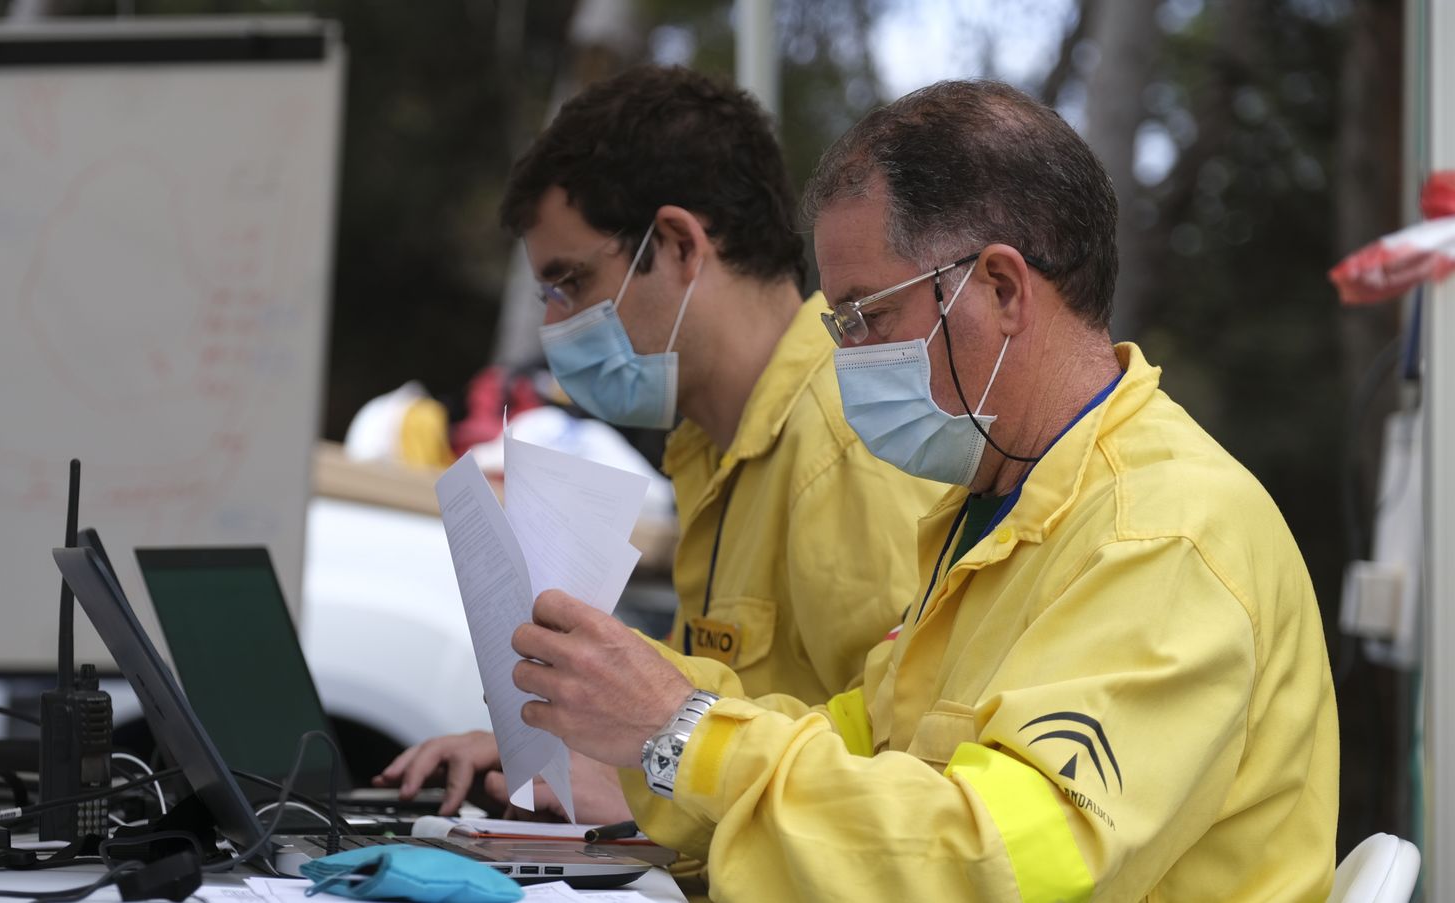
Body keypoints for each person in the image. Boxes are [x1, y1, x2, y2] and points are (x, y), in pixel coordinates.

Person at [507, 80, 1340, 901]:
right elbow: (867, 742)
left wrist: (681, 732)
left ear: (1002, 288)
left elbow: (1001, 864)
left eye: (867, 315)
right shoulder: (999, 508)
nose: (846, 357)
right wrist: (646, 701)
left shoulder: (1160, 532)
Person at [376, 66, 947, 826]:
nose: (553, 327)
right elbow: (716, 724)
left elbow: (900, 783)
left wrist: (640, 784)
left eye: (570, 283)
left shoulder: (849, 450)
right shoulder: (711, 447)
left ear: (679, 244)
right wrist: (583, 761)